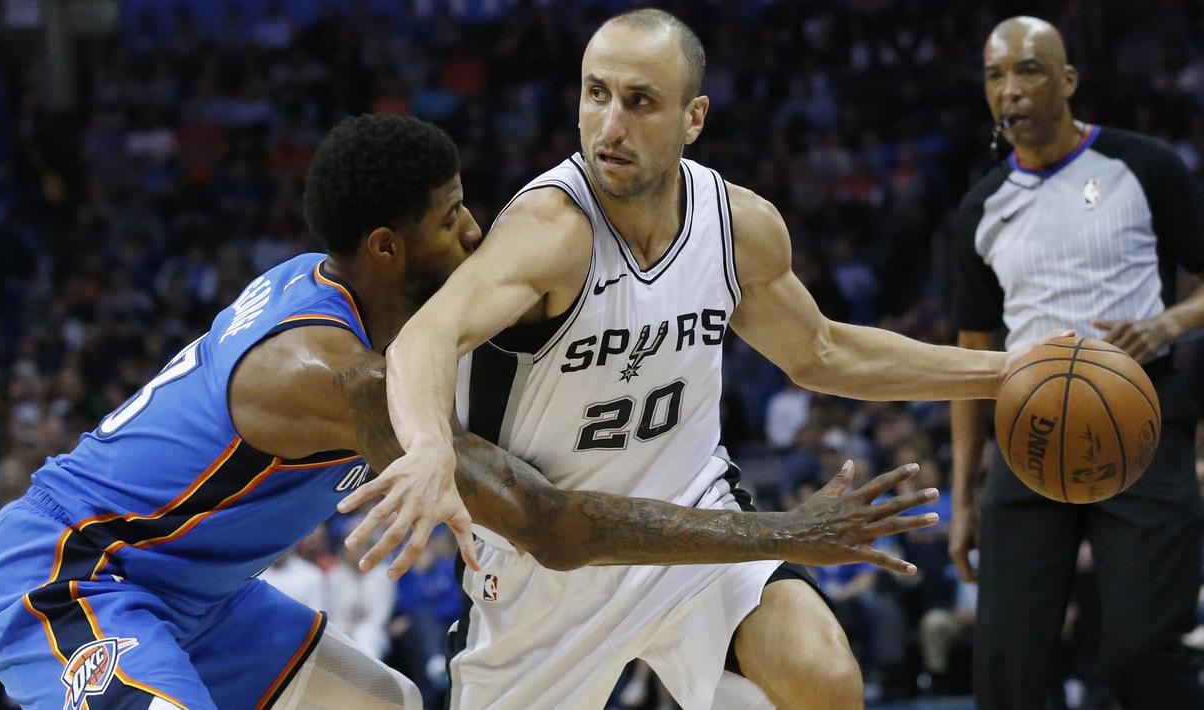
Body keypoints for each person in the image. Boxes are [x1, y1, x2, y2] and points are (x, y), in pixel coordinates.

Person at [0, 113, 936, 710]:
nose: (477, 229)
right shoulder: (332, 376)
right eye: (452, 216)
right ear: (388, 247)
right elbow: (554, 527)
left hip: (198, 597)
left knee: (383, 706)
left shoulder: (383, 313)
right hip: (71, 570)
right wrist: (783, 532)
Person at [372, 10, 1053, 710]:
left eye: (639, 101)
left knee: (823, 678)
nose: (609, 125)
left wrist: (1009, 370)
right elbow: (426, 337)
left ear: (692, 117)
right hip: (540, 563)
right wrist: (427, 448)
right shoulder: (550, 229)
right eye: (595, 93)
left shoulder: (736, 226)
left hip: (694, 531)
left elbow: (821, 352)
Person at [949, 16, 1204, 710]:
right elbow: (969, 361)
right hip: (1027, 435)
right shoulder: (979, 209)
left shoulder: (1143, 167)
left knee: (1140, 654)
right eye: (995, 76)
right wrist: (964, 497)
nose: (1010, 90)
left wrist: (1167, 323)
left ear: (1065, 80)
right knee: (1004, 669)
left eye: (1028, 70)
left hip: (1140, 422)